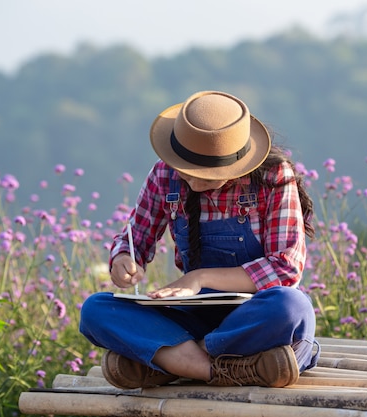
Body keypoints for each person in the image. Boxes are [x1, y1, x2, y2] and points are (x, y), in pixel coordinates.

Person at [79, 90, 319, 389]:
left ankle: (175, 361)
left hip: (253, 317)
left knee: (291, 307)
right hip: (194, 315)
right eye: (187, 171)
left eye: (205, 175)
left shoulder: (272, 178)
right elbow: (133, 240)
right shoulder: (164, 175)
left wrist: (199, 277)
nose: (192, 182)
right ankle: (226, 369)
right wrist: (124, 259)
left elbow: (286, 269)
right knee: (96, 309)